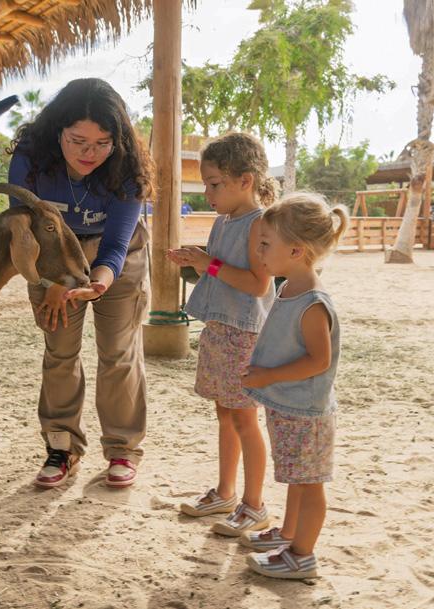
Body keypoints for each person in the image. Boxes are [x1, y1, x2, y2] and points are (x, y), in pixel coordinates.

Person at [7, 78, 154, 488]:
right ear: (58, 132)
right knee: (60, 351)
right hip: (49, 256)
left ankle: (122, 448)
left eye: (102, 143)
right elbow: (23, 226)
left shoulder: (127, 166)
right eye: (78, 141)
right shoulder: (30, 157)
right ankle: (62, 446)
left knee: (119, 353)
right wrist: (56, 279)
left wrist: (98, 284)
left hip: (116, 258)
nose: (90, 154)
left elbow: (116, 245)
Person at [165, 132, 276, 536]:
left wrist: (207, 264)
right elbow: (218, 273)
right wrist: (195, 261)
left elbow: (258, 284)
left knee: (245, 420)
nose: (208, 193)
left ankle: (255, 505)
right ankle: (226, 493)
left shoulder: (259, 223)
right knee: (225, 415)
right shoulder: (222, 221)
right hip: (219, 329)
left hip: (244, 335)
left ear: (245, 181)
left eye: (214, 184)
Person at [240, 192, 349, 580]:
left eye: (266, 244)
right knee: (296, 478)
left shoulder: (312, 304)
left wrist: (268, 376)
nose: (259, 251)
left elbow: (318, 361)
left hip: (307, 412)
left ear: (297, 251)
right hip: (289, 407)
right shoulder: (288, 288)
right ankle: (289, 534)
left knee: (309, 484)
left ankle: (302, 555)